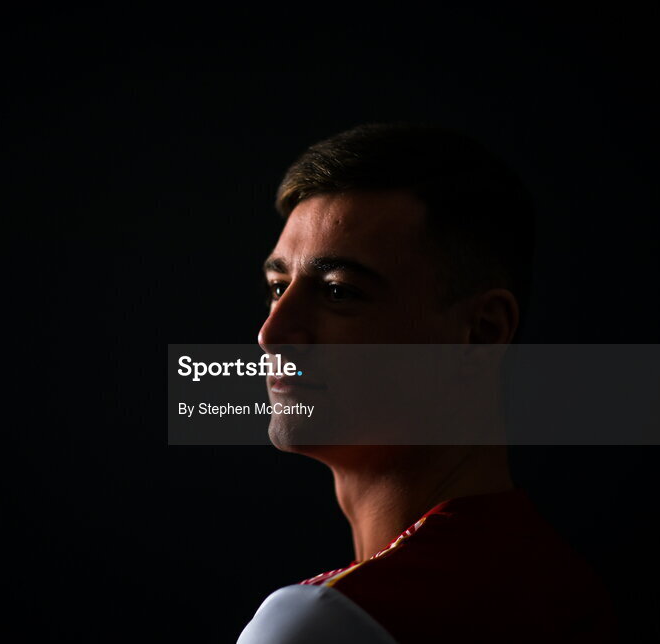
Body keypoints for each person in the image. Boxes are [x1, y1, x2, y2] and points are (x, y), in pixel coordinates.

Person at [237, 123, 616, 643]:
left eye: (339, 292)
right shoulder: (566, 587)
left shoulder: (325, 622)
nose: (272, 333)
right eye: (278, 287)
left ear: (481, 332)